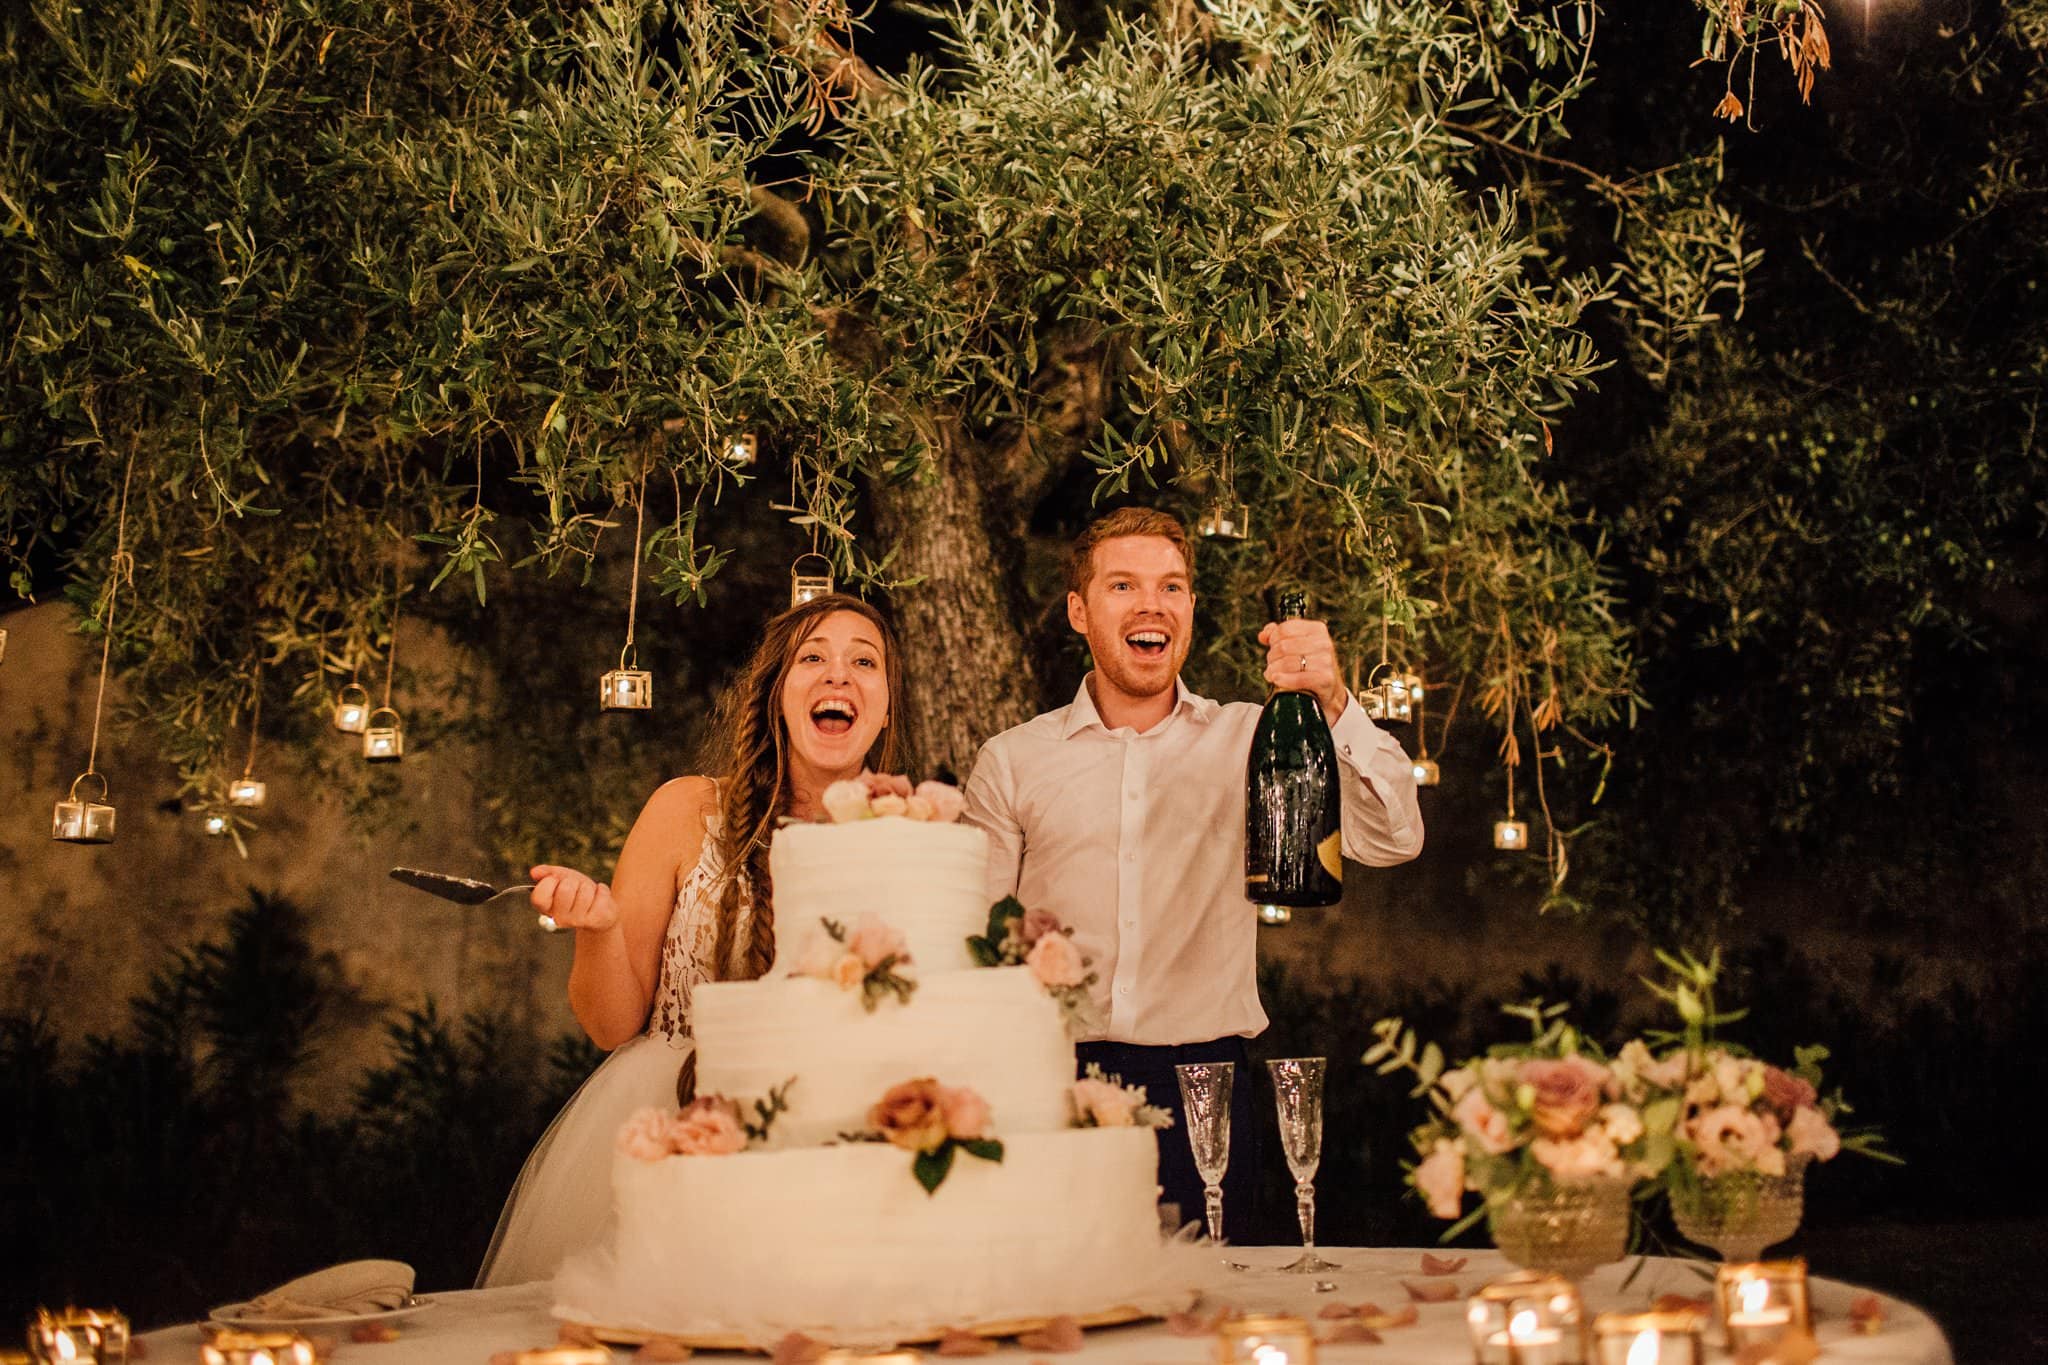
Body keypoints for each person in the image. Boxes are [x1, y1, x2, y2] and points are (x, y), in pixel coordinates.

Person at [961, 507, 1423, 1243]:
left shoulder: (1254, 736)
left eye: (1171, 587)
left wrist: (1335, 701)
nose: (1152, 604)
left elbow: (1395, 836)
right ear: (1079, 610)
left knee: (1205, 1328)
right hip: (1052, 1084)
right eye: (1123, 585)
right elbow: (972, 946)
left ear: (1191, 609)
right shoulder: (1015, 759)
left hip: (1210, 1090)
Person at [476, 592, 906, 1286]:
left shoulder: (915, 842)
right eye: (812, 658)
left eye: (865, 661)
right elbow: (609, 1021)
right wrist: (599, 928)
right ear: (773, 692)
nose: (839, 676)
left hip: (837, 1146)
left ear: (885, 706)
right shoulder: (684, 809)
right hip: (672, 1123)